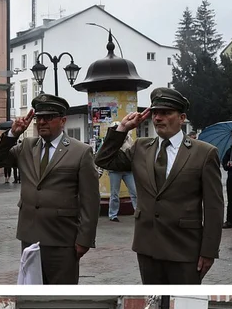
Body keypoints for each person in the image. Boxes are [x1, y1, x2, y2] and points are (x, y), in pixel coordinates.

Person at [94, 87, 224, 284]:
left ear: (182, 118)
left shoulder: (204, 153)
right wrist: (122, 129)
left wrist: (209, 251)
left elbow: (214, 207)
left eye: (166, 113)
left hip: (184, 248)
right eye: (155, 113)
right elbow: (103, 160)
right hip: (147, 247)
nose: (158, 118)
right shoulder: (141, 147)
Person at [0, 95, 100, 284]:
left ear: (63, 120)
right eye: (39, 118)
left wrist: (85, 239)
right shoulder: (26, 147)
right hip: (29, 236)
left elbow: (90, 200)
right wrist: (13, 135)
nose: (42, 122)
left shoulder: (80, 151)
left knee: (61, 291)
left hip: (62, 239)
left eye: (48, 117)